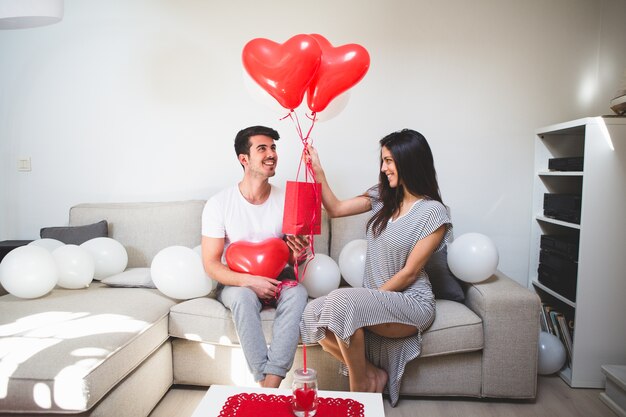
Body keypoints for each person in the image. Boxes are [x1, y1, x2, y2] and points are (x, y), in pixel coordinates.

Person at [300, 128, 453, 406]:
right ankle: (372, 375)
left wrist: (369, 301)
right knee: (312, 313)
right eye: (382, 161)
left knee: (344, 303)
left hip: (410, 302)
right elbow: (334, 209)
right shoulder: (382, 197)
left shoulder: (434, 213)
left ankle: (357, 391)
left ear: (410, 162)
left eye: (389, 161)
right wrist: (318, 171)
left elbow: (409, 272)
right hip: (377, 299)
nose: (383, 169)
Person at [201, 125, 309, 388]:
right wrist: (249, 281)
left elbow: (295, 261)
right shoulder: (219, 204)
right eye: (262, 148)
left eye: (273, 148)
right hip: (237, 279)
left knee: (298, 293)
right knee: (242, 297)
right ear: (244, 159)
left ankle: (269, 384)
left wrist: (298, 255)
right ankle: (264, 379)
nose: (271, 153)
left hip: (277, 277)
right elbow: (211, 264)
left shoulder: (289, 200)